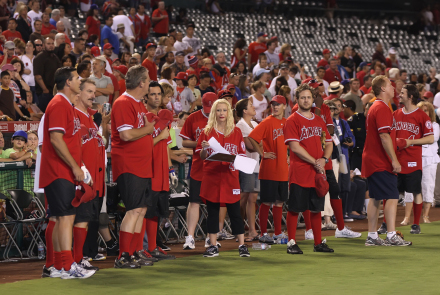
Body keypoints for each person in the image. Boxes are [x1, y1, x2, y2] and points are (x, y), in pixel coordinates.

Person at [40, 67, 95, 279]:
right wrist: (74, 166)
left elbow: (70, 142)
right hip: (58, 169)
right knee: (66, 217)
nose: (79, 81)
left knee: (60, 216)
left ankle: (58, 266)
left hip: (62, 169)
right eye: (77, 78)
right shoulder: (59, 104)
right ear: (68, 83)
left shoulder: (66, 105)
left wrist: (79, 165)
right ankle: (66, 266)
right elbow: (55, 139)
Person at [111, 65, 155, 268]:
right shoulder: (123, 103)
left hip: (142, 164)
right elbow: (126, 135)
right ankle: (123, 255)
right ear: (141, 83)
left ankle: (135, 252)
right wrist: (147, 129)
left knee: (141, 210)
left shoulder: (139, 104)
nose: (149, 83)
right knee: (134, 209)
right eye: (147, 80)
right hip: (130, 164)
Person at [283, 83, 334, 254]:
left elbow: (328, 144)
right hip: (300, 170)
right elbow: (295, 147)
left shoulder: (319, 120)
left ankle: (318, 243)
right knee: (295, 208)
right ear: (296, 99)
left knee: (316, 208)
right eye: (302, 97)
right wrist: (316, 161)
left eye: (308, 97)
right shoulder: (292, 120)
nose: (306, 100)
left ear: (313, 100)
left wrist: (324, 159)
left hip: (317, 171)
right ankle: (291, 242)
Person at [362, 75, 412, 246]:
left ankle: (372, 235)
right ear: (382, 89)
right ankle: (391, 234)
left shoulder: (377, 106)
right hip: (379, 160)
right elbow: (384, 136)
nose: (393, 87)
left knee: (375, 198)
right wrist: (394, 160)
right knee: (391, 196)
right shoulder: (382, 107)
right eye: (390, 85)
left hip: (373, 158)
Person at [197, 98, 250, 258]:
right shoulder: (206, 132)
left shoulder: (236, 132)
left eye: (224, 110)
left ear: (229, 113)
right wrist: (205, 149)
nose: (221, 113)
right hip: (212, 176)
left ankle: (242, 245)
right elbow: (201, 156)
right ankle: (213, 246)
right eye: (218, 110)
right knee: (212, 211)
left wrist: (234, 159)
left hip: (230, 176)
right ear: (214, 113)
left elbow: (241, 154)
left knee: (235, 212)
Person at [392, 84, 433, 234]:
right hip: (396, 160)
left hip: (413, 161)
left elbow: (430, 138)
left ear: (410, 96)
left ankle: (416, 224)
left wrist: (410, 142)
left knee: (416, 191)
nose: (399, 94)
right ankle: (386, 224)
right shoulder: (395, 114)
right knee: (391, 192)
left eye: (402, 93)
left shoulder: (422, 115)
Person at [141, 81, 176, 260]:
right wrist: (159, 137)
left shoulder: (164, 117)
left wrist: (171, 169)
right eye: (152, 94)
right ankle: (144, 248)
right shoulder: (142, 117)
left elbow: (168, 145)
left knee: (156, 210)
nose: (156, 97)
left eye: (158, 94)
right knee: (146, 210)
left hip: (162, 170)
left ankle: (153, 247)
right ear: (146, 96)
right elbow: (139, 146)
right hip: (148, 170)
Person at [72, 78, 104, 271]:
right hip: (81, 177)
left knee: (86, 220)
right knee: (79, 220)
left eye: (94, 92)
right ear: (78, 94)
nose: (94, 95)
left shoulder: (90, 117)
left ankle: (79, 258)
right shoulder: (74, 115)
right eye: (89, 92)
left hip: (95, 178)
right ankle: (74, 260)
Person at [248, 94, 288, 244]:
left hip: (283, 169)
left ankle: (277, 233)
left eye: (278, 104)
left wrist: (289, 154)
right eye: (273, 104)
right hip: (269, 169)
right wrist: (262, 153)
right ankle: (263, 233)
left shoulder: (286, 122)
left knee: (279, 202)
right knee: (266, 202)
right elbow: (252, 137)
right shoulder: (267, 122)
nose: (275, 107)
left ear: (284, 106)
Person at [181, 92, 217, 250]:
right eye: (207, 107)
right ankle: (190, 237)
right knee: (194, 201)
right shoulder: (193, 118)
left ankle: (211, 237)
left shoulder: (222, 117)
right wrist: (201, 143)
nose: (209, 111)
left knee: (213, 203)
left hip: (216, 166)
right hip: (198, 165)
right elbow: (184, 141)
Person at [235, 98, 259, 241]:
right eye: (250, 105)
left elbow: (260, 142)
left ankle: (252, 230)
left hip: (255, 163)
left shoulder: (255, 123)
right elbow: (250, 145)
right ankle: (239, 230)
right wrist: (261, 144)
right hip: (245, 164)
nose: (253, 107)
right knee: (243, 198)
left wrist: (259, 143)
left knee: (253, 198)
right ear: (244, 111)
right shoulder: (240, 125)